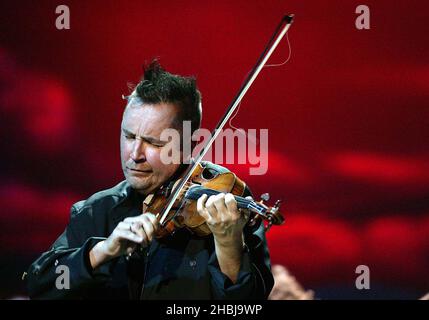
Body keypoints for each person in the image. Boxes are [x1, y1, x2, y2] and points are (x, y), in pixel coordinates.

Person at [25, 60, 274, 300]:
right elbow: (39, 286)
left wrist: (229, 244)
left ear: (190, 144)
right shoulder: (96, 211)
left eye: (154, 143)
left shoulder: (225, 206)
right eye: (129, 136)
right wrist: (103, 251)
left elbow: (247, 303)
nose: (135, 155)